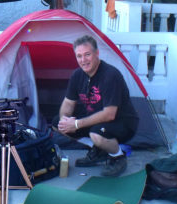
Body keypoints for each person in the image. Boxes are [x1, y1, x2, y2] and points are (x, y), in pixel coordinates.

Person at [52, 35, 139, 177]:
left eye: (87, 55)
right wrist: (66, 121)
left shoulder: (110, 75)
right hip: (96, 116)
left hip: (123, 121)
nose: (83, 60)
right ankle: (99, 150)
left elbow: (110, 114)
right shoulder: (77, 75)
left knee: (96, 133)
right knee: (58, 123)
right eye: (79, 56)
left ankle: (118, 157)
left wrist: (77, 124)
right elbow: (68, 102)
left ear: (97, 53)